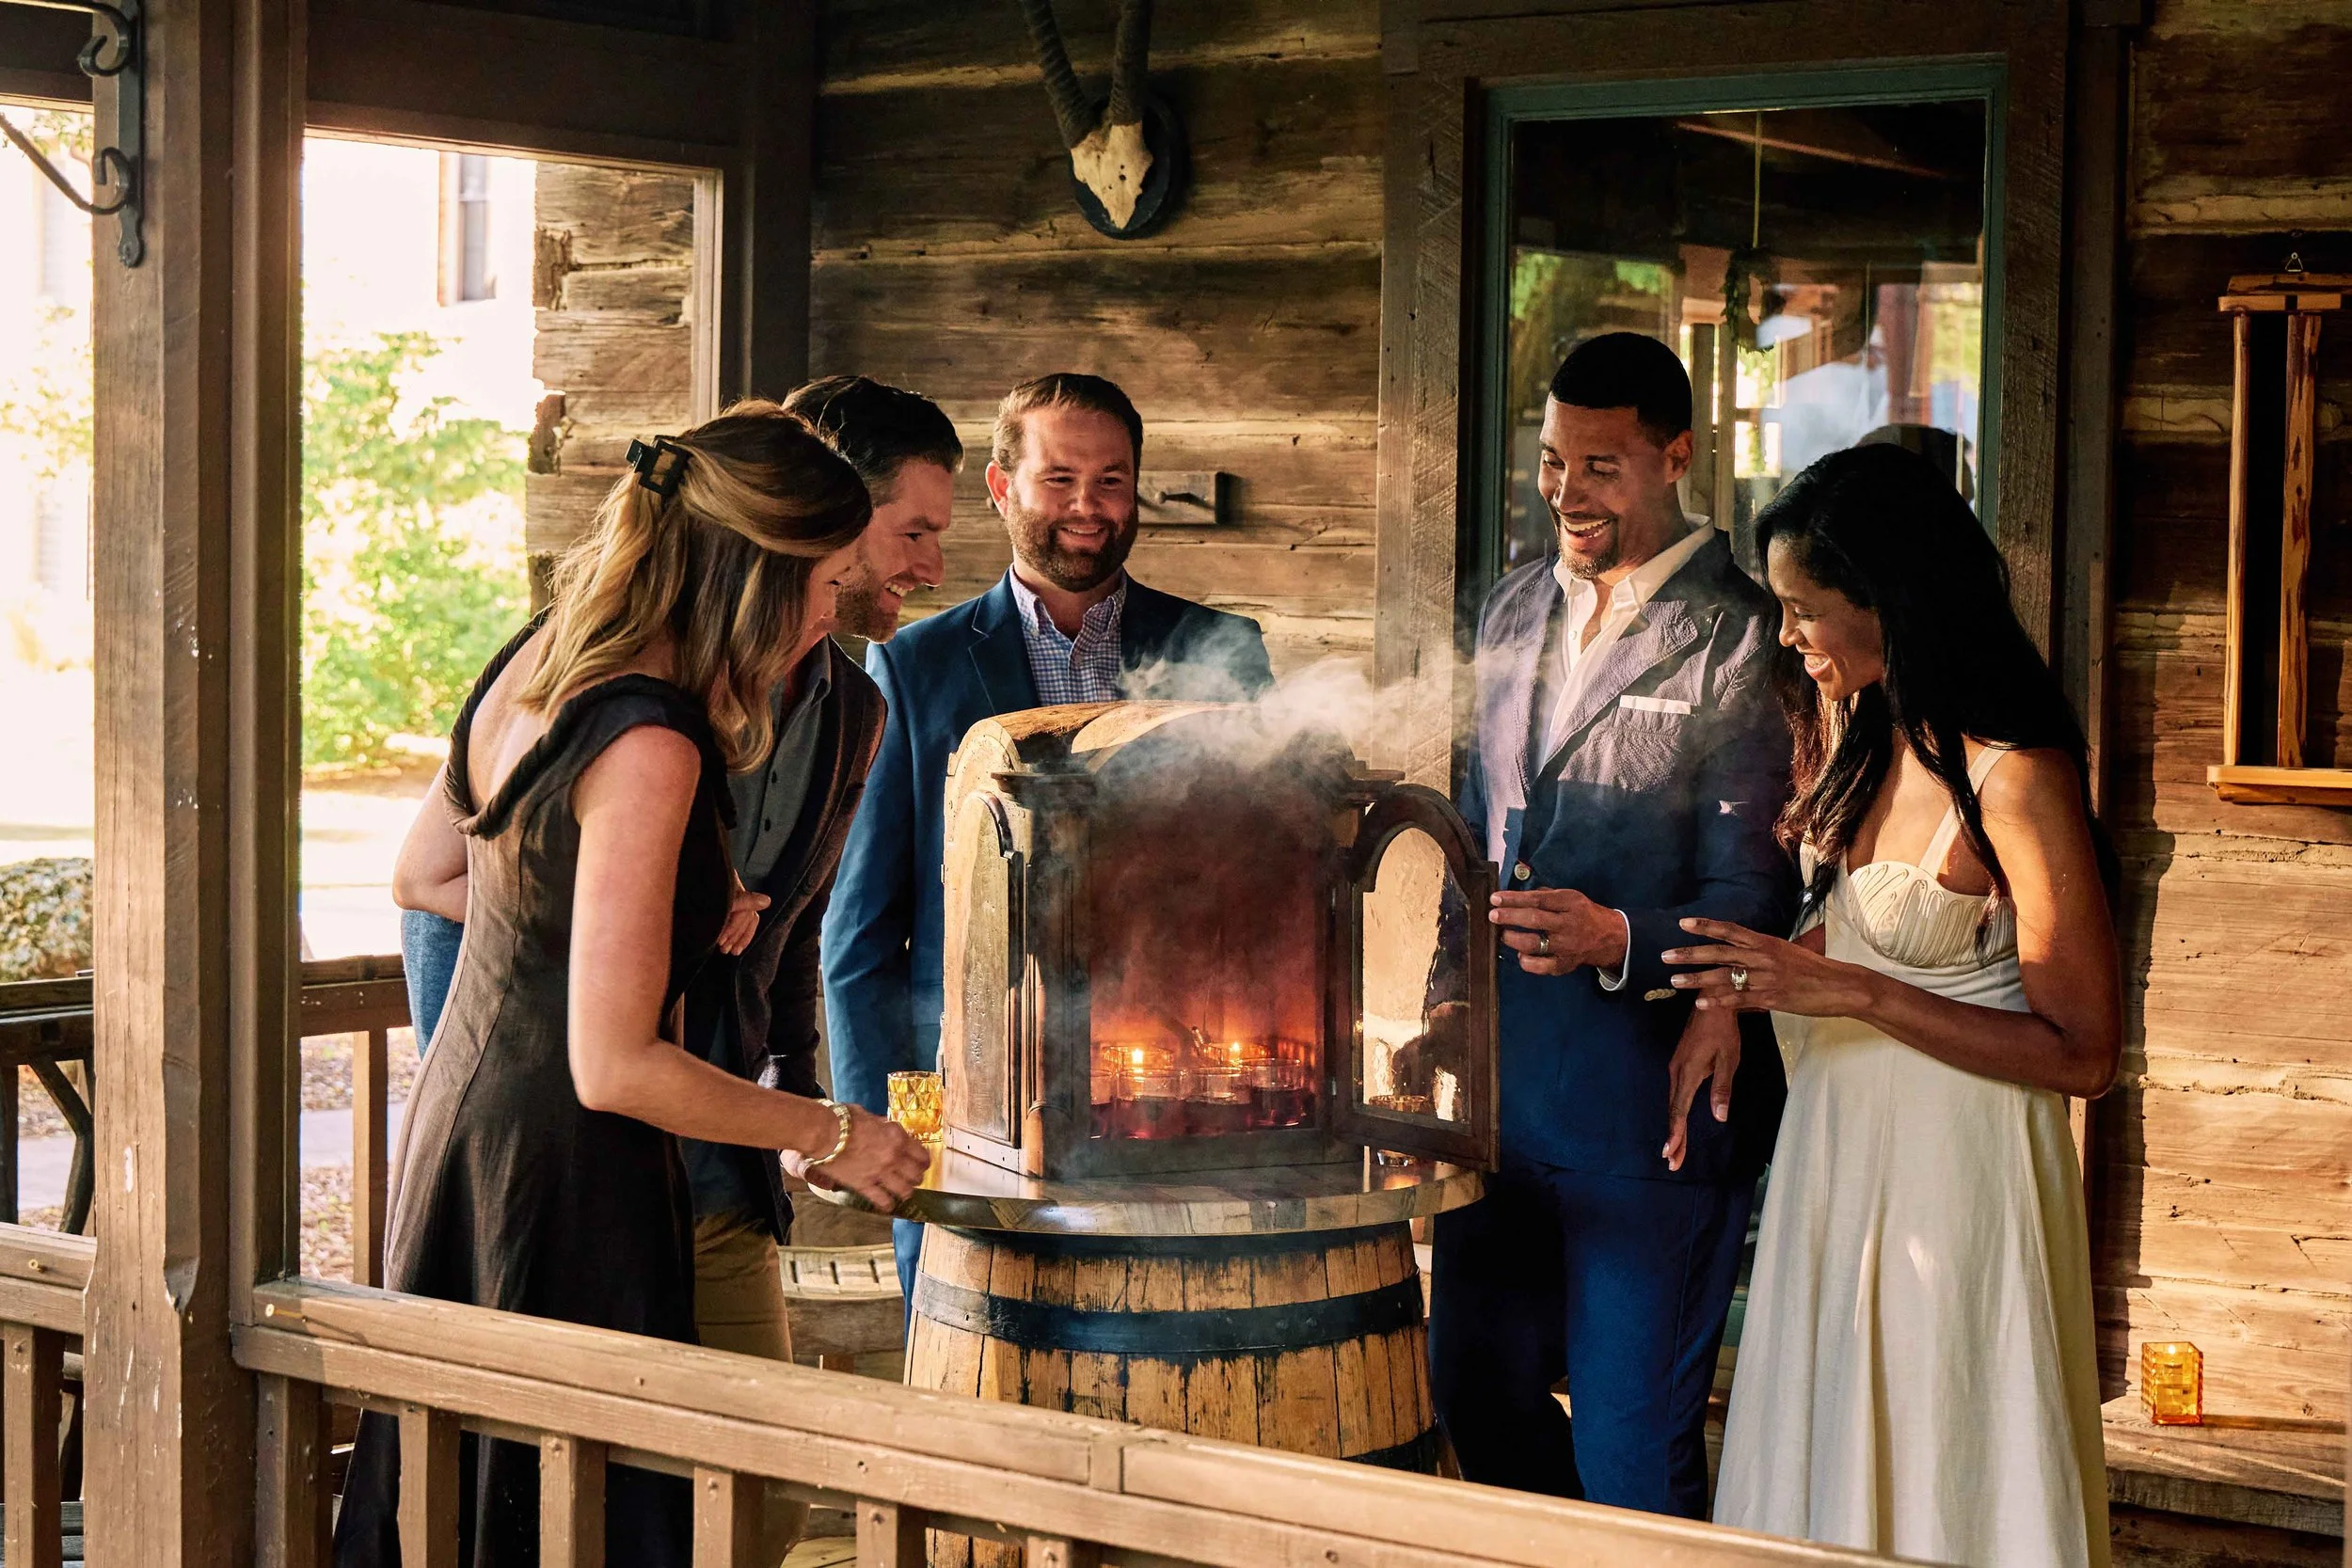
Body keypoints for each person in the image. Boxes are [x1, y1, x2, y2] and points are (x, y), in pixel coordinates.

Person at [340, 404, 932, 1567]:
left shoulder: (541, 664)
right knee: (609, 1524)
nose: (829, 614)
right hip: (574, 1169)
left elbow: (444, 871)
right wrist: (830, 1127)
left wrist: (641, 915)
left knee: (475, 1515)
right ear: (751, 576)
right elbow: (613, 1063)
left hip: (471, 1137)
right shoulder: (654, 741)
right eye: (821, 586)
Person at [1674, 442, 2119, 1566]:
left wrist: (1850, 990)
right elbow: (1867, 926)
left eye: (1803, 609)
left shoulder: (2016, 774)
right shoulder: (1868, 733)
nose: (1785, 636)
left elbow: (2083, 1052)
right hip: (1838, 1167)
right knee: (1829, 1464)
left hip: (1956, 1178)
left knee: (1942, 1465)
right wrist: (1739, 987)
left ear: (1894, 600)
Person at [1429, 332, 1797, 1518]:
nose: (1566, 493)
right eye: (1549, 462)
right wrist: (1445, 993)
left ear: (1676, 455)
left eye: (1600, 465)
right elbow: (1468, 825)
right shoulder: (1509, 604)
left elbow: (1759, 886)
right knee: (1473, 1395)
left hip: (1652, 1113)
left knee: (1632, 1455)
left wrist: (1622, 941)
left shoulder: (1745, 633)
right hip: (1500, 1103)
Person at [822, 372, 1274, 1303]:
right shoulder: (911, 666)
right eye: (1058, 478)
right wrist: (889, 1137)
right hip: (976, 1129)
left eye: (1111, 480)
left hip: (1177, 1120)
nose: (1087, 506)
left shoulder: (1226, 651)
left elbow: (1268, 898)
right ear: (999, 486)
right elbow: (861, 937)